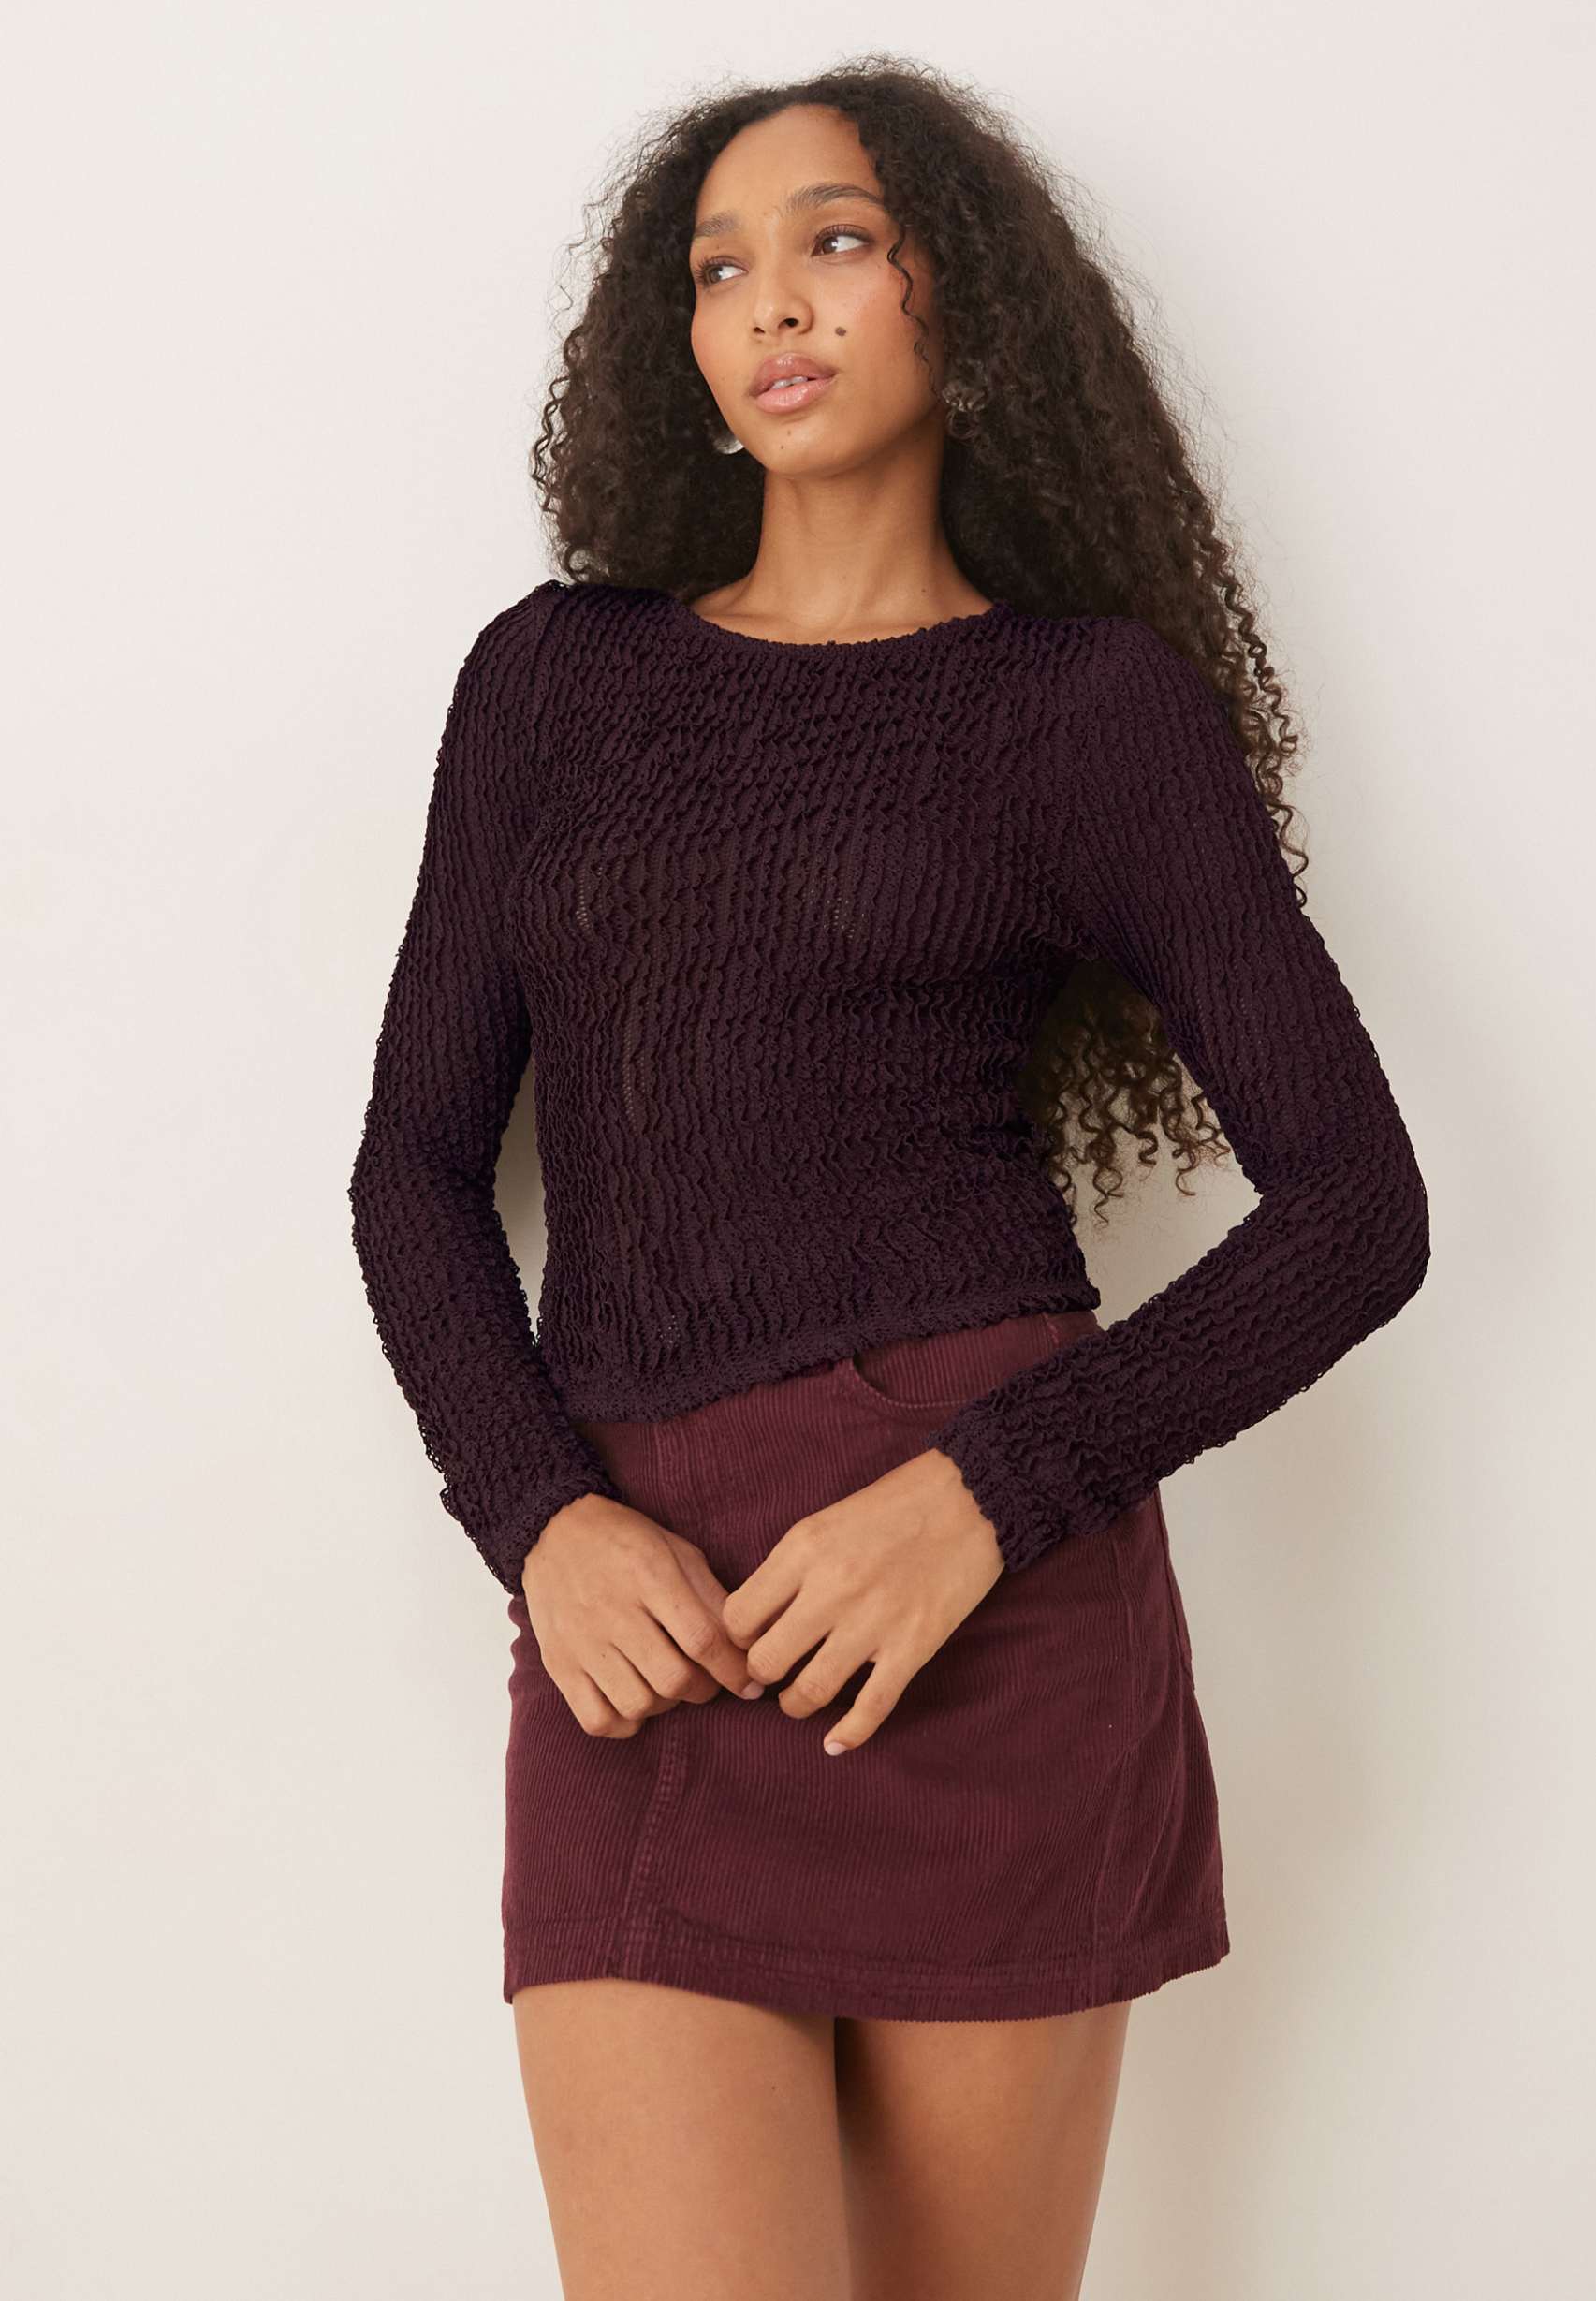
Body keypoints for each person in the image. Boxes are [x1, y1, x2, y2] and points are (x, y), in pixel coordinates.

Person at [347, 61, 1430, 2301]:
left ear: (965, 296)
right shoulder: (552, 686)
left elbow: (1356, 1202)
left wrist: (985, 1494)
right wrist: (538, 1514)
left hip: (982, 1617)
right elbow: (413, 1170)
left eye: (836, 240)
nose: (773, 303)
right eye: (718, 267)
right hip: (647, 1628)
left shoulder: (1087, 711)